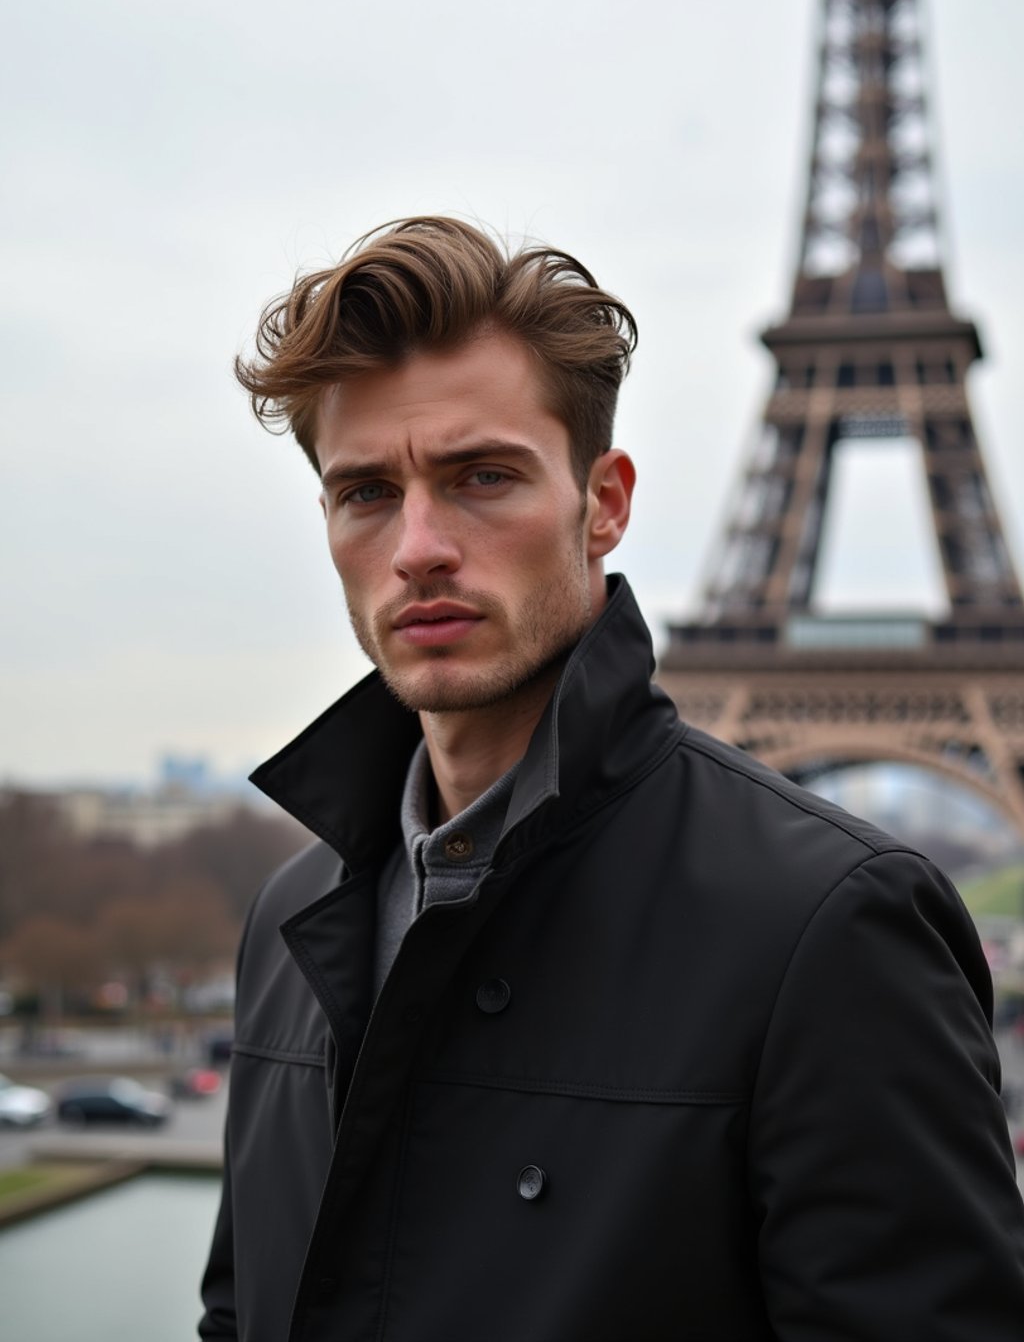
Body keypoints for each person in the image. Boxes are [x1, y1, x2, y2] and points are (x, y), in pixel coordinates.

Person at [200, 216, 1024, 1342]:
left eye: (481, 476)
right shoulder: (291, 916)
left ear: (606, 504)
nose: (420, 546)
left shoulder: (834, 928)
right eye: (366, 494)